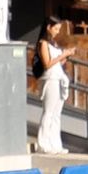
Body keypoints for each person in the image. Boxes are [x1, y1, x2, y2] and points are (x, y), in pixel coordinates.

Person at [35, 18, 75, 155]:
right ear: (48, 27)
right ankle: (43, 143)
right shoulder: (43, 43)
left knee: (56, 114)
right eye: (55, 29)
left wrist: (66, 56)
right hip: (49, 79)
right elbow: (47, 64)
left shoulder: (54, 44)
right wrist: (62, 55)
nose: (57, 32)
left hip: (58, 77)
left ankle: (55, 144)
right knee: (49, 112)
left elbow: (58, 63)